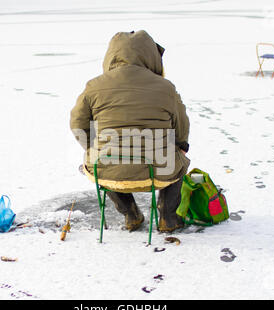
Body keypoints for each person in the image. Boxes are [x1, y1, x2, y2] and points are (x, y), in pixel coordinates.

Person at [70, 30, 190, 232]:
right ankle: (168, 217)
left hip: (107, 168)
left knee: (102, 163)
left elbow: (77, 124)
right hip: (159, 170)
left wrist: (93, 146)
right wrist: (180, 146)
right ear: (151, 56)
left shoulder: (93, 86)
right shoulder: (166, 87)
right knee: (180, 162)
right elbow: (181, 126)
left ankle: (131, 214)